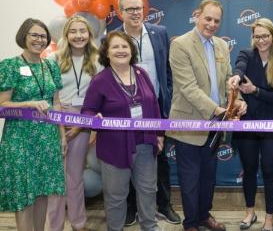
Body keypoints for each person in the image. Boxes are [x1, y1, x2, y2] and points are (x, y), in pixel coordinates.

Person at [166, 0, 247, 231]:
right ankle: (190, 223)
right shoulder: (180, 44)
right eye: (207, 18)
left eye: (216, 21)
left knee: (208, 178)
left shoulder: (221, 45)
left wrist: (238, 102)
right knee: (190, 180)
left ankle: (203, 215)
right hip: (189, 125)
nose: (211, 24)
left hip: (215, 125)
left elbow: (229, 80)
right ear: (197, 16)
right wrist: (218, 110)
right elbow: (188, 88)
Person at [81, 31, 163, 231]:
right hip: (114, 147)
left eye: (124, 46)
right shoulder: (100, 80)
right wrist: (94, 119)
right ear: (106, 53)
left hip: (145, 144)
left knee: (148, 191)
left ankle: (150, 227)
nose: (120, 50)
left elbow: (154, 105)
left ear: (131, 50)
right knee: (116, 196)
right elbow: (87, 111)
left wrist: (159, 134)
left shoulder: (142, 74)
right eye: (115, 47)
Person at [114, 0, 180, 226]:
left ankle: (164, 204)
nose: (135, 12)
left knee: (160, 157)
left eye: (139, 8)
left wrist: (168, 99)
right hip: (126, 109)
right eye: (130, 9)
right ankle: (131, 207)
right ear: (120, 12)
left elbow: (168, 71)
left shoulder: (159, 33)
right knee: (128, 156)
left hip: (156, 107)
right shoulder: (113, 38)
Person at [0, 18, 65, 231]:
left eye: (43, 36)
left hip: (47, 137)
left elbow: (56, 103)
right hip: (19, 139)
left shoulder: (51, 66)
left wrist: (62, 136)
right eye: (34, 35)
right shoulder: (10, 66)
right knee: (24, 192)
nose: (39, 39)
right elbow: (2, 105)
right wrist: (28, 104)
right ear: (24, 37)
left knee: (42, 190)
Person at [228, 18, 273, 231]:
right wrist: (236, 78)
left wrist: (255, 91)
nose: (261, 40)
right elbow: (239, 68)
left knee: (270, 171)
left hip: (272, 124)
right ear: (252, 38)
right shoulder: (247, 54)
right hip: (247, 125)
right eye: (257, 36)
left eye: (265, 36)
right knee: (250, 169)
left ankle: (270, 218)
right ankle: (250, 212)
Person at [46, 15, 101, 231]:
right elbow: (51, 96)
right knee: (57, 176)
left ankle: (79, 223)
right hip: (57, 119)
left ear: (89, 34)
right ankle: (55, 226)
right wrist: (61, 127)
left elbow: (100, 97)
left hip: (84, 120)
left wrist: (84, 126)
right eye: (73, 31)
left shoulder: (98, 60)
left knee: (75, 175)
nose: (78, 36)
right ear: (66, 35)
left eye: (82, 31)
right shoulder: (53, 59)